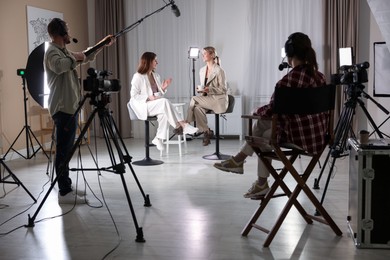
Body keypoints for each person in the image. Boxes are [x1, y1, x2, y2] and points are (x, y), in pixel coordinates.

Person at [214, 32, 328, 198]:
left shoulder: (287, 81)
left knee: (261, 128)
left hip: (298, 138)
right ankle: (258, 181)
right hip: (317, 137)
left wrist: (256, 111)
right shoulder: (321, 78)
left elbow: (272, 110)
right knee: (266, 134)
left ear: (289, 55)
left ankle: (242, 163)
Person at [44, 18, 114, 204]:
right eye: (67, 29)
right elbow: (61, 66)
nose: (69, 33)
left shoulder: (63, 51)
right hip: (62, 107)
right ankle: (64, 192)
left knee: (67, 149)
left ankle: (66, 184)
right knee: (63, 150)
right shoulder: (52, 52)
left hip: (70, 107)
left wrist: (101, 45)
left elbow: (85, 55)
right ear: (61, 33)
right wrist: (76, 56)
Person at [129, 52, 198, 151]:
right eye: (155, 60)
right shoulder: (138, 76)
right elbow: (133, 95)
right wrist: (148, 97)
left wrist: (163, 88)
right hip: (142, 105)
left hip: (153, 104)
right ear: (148, 61)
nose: (157, 62)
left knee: (165, 113)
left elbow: (158, 96)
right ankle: (182, 125)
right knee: (165, 102)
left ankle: (159, 138)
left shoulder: (156, 76)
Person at [186, 46, 228, 146]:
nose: (202, 56)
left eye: (205, 53)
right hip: (209, 99)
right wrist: (202, 90)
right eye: (202, 54)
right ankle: (206, 132)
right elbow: (205, 89)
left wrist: (209, 89)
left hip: (219, 100)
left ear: (212, 55)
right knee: (197, 108)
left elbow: (223, 89)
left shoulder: (219, 70)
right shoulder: (202, 70)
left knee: (194, 99)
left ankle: (185, 123)